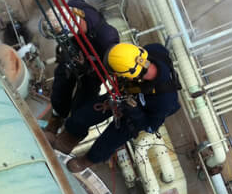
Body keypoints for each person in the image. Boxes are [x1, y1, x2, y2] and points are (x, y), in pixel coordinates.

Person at [53, 42, 180, 173]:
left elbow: (150, 126)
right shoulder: (151, 51)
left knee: (112, 139)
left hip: (139, 114)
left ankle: (88, 160)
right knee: (85, 115)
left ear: (132, 75)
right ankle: (68, 138)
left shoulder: (165, 101)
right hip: (125, 93)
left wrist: (134, 111)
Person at [43, 0, 119, 137]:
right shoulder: (74, 6)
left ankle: (70, 134)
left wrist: (86, 67)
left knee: (84, 101)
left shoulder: (107, 38)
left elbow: (108, 69)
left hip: (94, 67)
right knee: (61, 81)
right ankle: (57, 117)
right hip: (76, 52)